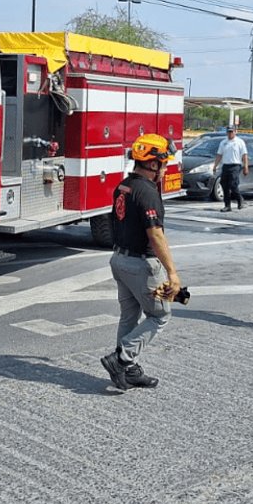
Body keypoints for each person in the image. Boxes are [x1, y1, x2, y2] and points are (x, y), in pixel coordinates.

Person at [101, 133, 182, 391]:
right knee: (160, 314)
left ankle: (129, 370)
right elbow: (155, 234)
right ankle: (122, 358)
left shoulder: (123, 186)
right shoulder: (147, 192)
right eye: (164, 163)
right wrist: (172, 273)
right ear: (153, 164)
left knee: (129, 316)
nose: (166, 168)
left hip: (119, 260)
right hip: (141, 266)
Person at [212, 126, 249, 212]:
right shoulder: (223, 142)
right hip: (226, 166)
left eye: (232, 132)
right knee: (224, 185)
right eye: (229, 132)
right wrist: (215, 166)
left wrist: (246, 166)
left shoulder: (240, 142)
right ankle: (227, 205)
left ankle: (240, 199)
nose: (230, 133)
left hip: (235, 165)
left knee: (233, 184)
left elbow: (244, 155)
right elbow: (219, 155)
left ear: (235, 132)